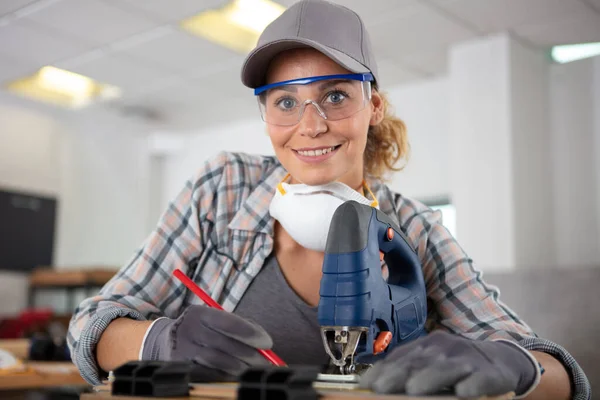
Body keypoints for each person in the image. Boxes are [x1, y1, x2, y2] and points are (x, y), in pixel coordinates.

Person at [67, 0, 590, 398]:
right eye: (286, 102)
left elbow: (560, 371)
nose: (310, 125)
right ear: (265, 115)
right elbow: (91, 325)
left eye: (335, 96)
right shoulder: (221, 189)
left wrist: (516, 366)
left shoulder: (417, 228)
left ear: (374, 105)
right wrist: (159, 340)